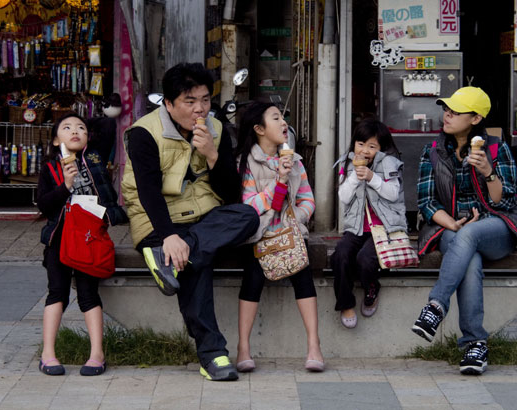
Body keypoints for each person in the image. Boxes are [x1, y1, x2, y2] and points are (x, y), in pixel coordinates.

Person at [121, 62, 259, 381]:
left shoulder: (217, 128)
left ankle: (174, 259)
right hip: (158, 221)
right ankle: (213, 354)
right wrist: (169, 236)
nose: (200, 109)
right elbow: (147, 192)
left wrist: (212, 154)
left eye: (205, 99)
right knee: (196, 263)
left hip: (201, 220)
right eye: (190, 101)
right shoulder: (144, 133)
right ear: (168, 104)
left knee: (248, 216)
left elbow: (231, 194)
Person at [412, 87, 517, 375]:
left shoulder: (495, 148)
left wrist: (488, 172)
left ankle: (436, 305)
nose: (447, 115)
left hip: (496, 225)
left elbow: (506, 201)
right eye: (446, 109)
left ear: (475, 118)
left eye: (456, 112)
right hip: (450, 225)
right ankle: (475, 345)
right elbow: (426, 202)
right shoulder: (432, 151)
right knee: (468, 254)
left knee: (469, 236)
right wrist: (452, 223)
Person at [234, 101, 324, 372]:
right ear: (259, 129)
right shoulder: (246, 162)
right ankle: (243, 348)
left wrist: (294, 220)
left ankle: (314, 346)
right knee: (252, 275)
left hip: (291, 231)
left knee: (303, 272)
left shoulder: (294, 160)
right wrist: (279, 182)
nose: (284, 123)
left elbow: (308, 199)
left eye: (283, 118)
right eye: (276, 119)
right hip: (259, 234)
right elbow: (250, 205)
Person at [36, 112, 128, 376]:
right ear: (56, 140)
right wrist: (65, 185)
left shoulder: (96, 162)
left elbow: (114, 206)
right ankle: (48, 354)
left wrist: (104, 215)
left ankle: (97, 354)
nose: (74, 131)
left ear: (88, 137)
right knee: (57, 293)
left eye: (81, 128)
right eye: (66, 128)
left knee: (88, 294)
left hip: (89, 240)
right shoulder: (50, 168)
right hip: (59, 239)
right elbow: (44, 204)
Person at [331, 118, 406, 328]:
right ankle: (346, 304)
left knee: (366, 259)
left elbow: (393, 194)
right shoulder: (347, 163)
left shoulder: (389, 163)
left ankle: (372, 288)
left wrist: (372, 177)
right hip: (356, 227)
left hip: (385, 228)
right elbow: (344, 197)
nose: (365, 150)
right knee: (341, 255)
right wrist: (355, 176)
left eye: (372, 146)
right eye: (360, 144)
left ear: (381, 148)